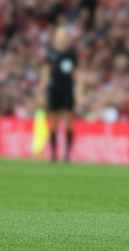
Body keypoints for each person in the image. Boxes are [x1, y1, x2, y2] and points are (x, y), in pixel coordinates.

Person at [38, 26, 83, 162]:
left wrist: (80, 91)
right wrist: (41, 90)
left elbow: (77, 73)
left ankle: (67, 155)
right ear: (55, 37)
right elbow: (45, 73)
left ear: (66, 38)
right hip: (54, 89)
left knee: (69, 122)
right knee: (53, 122)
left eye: (63, 35)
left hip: (67, 89)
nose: (61, 38)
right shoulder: (51, 53)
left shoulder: (71, 53)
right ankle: (53, 155)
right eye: (59, 35)